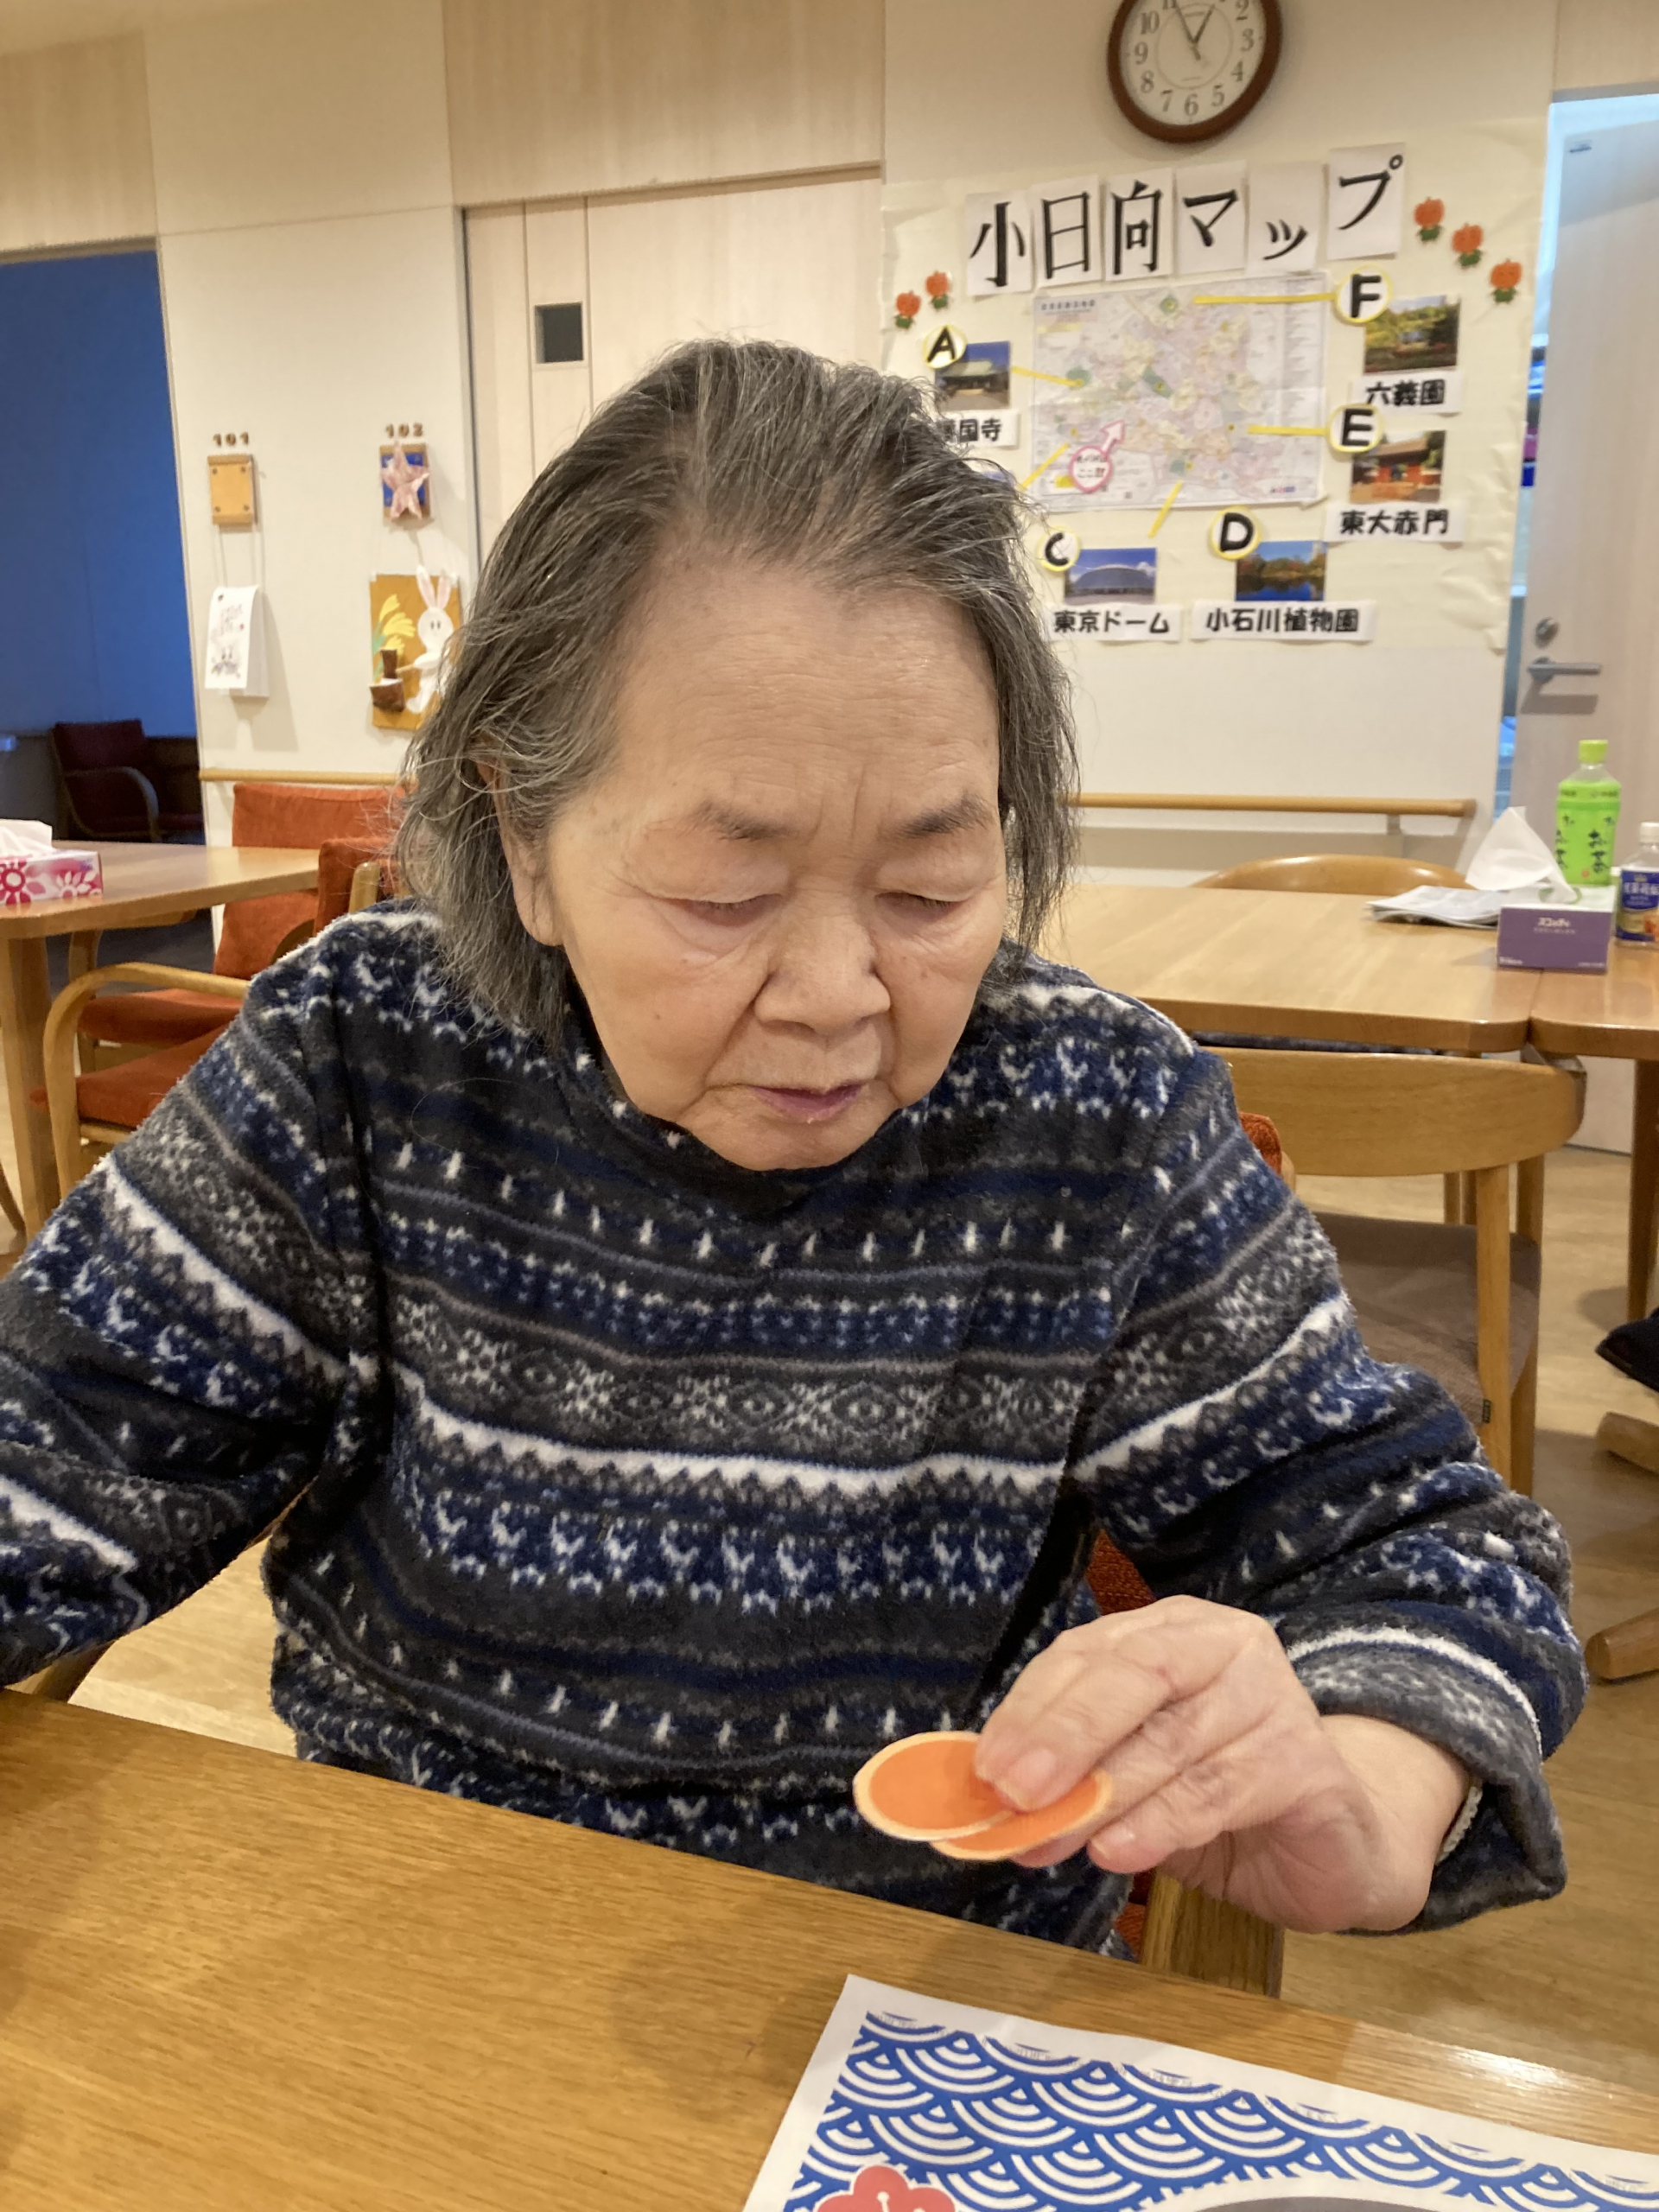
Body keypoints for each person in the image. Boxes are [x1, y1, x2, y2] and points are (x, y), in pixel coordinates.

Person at [0, 341, 1581, 1952]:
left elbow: (1425, 1549)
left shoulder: (1094, 1122)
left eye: (930, 890)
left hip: (919, 1998)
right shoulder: (366, 1055)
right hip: (424, 1957)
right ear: (523, 839)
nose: (837, 997)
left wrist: (1366, 1784)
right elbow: (47, 1440)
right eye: (724, 896)